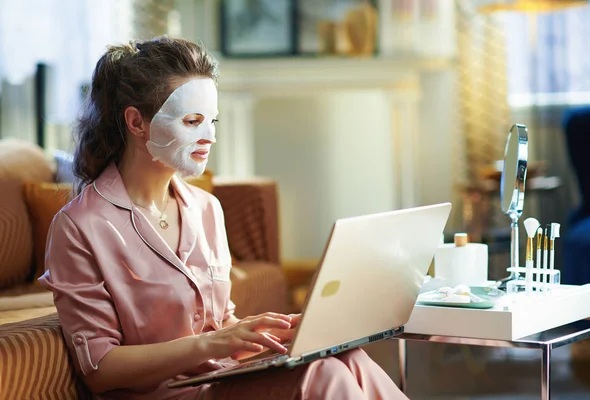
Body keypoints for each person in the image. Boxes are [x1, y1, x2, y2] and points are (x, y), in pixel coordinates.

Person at [39, 37, 409, 400]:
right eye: (193, 120)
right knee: (322, 374)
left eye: (212, 120)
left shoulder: (206, 208)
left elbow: (219, 324)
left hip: (221, 379)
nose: (210, 136)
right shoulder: (78, 227)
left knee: (344, 356)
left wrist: (267, 335)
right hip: (164, 395)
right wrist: (211, 343)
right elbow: (100, 370)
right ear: (137, 122)